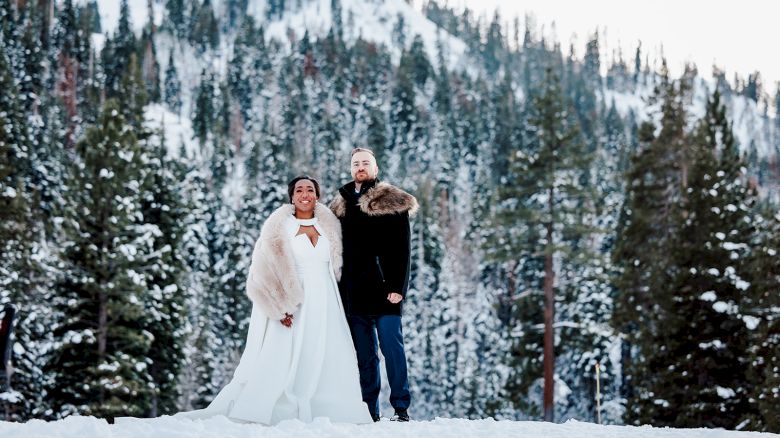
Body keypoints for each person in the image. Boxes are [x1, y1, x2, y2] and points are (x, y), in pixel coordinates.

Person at [177, 176, 371, 425]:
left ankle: (329, 406)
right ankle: (278, 406)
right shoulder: (279, 227)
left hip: (326, 299)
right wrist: (279, 307)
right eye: (299, 190)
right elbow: (263, 270)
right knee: (283, 355)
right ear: (291, 196)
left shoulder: (330, 226)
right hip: (294, 298)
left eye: (310, 190)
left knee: (328, 353)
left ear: (317, 195)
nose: (304, 194)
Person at [330, 148, 418, 422]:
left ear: (375, 168)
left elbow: (403, 249)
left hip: (385, 290)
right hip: (353, 292)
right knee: (365, 356)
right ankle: (370, 410)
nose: (360, 167)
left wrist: (398, 287)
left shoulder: (392, 201)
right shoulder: (340, 205)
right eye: (356, 163)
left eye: (366, 163)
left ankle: (401, 407)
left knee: (392, 348)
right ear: (350, 169)